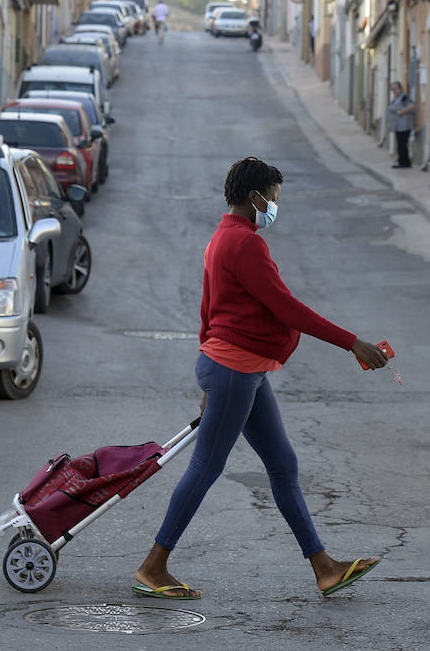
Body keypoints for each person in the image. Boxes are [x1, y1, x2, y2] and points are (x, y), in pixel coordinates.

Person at [133, 156, 391, 601]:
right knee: (206, 466)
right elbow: (287, 309)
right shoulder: (244, 244)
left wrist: (207, 372)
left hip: (237, 371)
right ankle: (153, 567)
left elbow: (208, 309)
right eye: (272, 198)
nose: (274, 205)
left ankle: (324, 567)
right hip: (234, 371)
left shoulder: (224, 237)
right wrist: (353, 343)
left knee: (282, 465)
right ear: (254, 197)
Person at [387, 82, 416, 169]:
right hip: (397, 126)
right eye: (392, 89)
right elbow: (392, 113)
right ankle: (402, 162)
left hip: (405, 125)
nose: (394, 90)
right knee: (400, 144)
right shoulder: (393, 99)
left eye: (396, 88)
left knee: (402, 145)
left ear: (400, 88)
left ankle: (405, 163)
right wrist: (390, 124)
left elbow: (412, 106)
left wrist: (401, 112)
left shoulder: (404, 97)